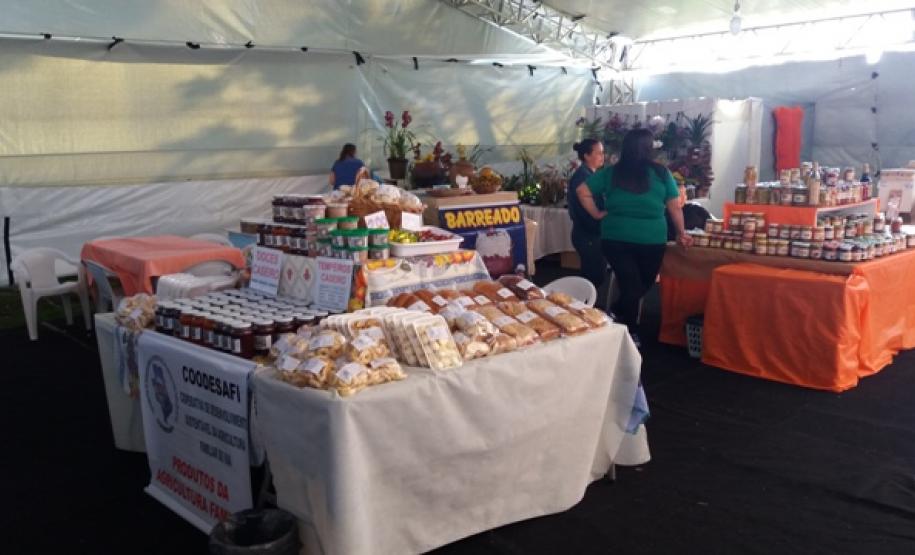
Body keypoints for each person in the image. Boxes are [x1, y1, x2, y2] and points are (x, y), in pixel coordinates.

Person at [578, 128, 692, 346]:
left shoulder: (613, 172)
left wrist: (596, 213)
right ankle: (630, 330)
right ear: (649, 148)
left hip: (618, 238)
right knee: (636, 284)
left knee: (636, 284)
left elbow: (582, 191)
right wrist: (681, 233)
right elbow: (674, 207)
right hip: (646, 240)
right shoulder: (660, 173)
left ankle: (615, 312)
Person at [566, 139, 607, 288]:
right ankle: (585, 308)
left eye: (603, 153)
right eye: (599, 153)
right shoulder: (583, 178)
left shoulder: (592, 174)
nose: (603, 156)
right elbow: (587, 211)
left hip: (592, 234)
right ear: (587, 156)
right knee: (592, 279)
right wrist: (600, 214)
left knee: (595, 276)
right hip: (588, 234)